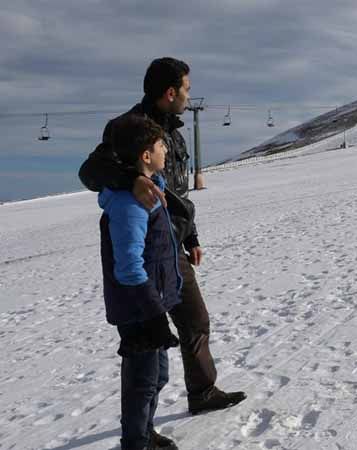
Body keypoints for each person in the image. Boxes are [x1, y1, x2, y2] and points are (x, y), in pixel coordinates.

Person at [80, 57, 246, 415]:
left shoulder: (173, 133)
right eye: (187, 88)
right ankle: (140, 431)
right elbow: (90, 171)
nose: (190, 95)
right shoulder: (127, 129)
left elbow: (177, 192)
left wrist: (192, 236)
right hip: (142, 251)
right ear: (170, 92)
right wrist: (131, 179)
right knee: (146, 344)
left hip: (172, 245)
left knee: (195, 319)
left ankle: (202, 392)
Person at [99, 115, 182, 450]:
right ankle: (135, 442)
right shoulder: (132, 204)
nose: (166, 150)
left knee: (156, 377)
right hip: (138, 310)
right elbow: (130, 267)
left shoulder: (151, 189)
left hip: (149, 304)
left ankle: (144, 433)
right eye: (162, 145)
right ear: (146, 156)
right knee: (142, 381)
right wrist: (154, 315)